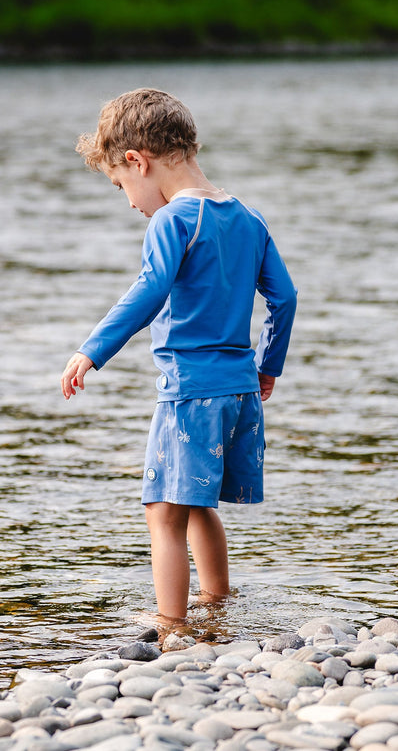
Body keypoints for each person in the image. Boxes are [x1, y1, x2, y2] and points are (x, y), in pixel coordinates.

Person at [60, 88, 297, 625]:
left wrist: (91, 351)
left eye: (122, 185)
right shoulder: (248, 218)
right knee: (199, 504)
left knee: (163, 512)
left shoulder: (171, 222)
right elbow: (285, 297)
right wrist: (268, 365)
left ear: (137, 161)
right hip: (240, 389)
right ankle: (217, 604)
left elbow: (148, 292)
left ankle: (171, 626)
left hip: (189, 391)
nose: (129, 202)